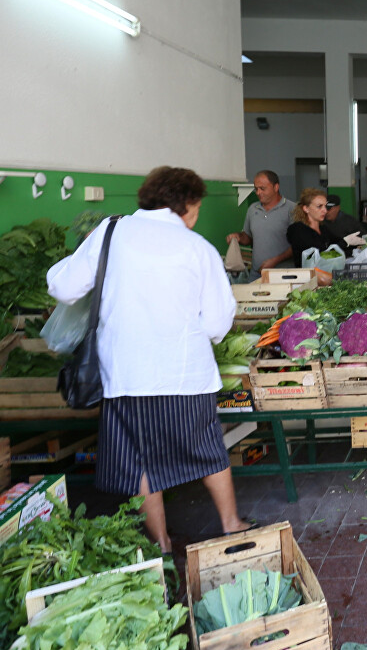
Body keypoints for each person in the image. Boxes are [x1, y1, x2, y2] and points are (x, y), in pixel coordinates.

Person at [47, 166, 252, 553]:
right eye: (197, 207)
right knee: (207, 447)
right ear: (187, 205)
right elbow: (219, 318)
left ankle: (160, 542)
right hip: (185, 372)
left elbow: (62, 285)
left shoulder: (109, 234)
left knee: (140, 460)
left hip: (126, 373)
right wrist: (197, 333)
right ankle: (231, 522)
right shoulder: (197, 248)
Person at [227, 170, 295, 280]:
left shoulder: (292, 209)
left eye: (262, 189)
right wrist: (238, 237)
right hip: (257, 274)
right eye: (256, 189)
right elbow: (248, 237)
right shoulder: (252, 209)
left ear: (276, 187)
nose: (258, 193)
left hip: (284, 274)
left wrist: (275, 261)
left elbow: (297, 245)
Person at [287, 188, 349, 265]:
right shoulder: (297, 230)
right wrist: (346, 242)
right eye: (319, 206)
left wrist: (353, 243)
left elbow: (336, 241)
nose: (325, 210)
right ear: (306, 208)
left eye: (325, 206)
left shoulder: (323, 228)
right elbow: (319, 256)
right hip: (308, 275)